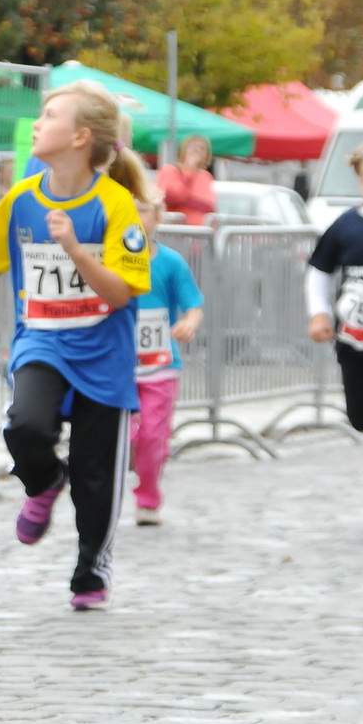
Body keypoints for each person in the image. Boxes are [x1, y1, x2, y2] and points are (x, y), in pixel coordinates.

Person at [0, 80, 151, 611]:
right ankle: (45, 480)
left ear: (80, 137)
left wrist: (73, 247)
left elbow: (119, 294)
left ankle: (91, 571)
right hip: (43, 342)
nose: (37, 124)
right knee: (25, 425)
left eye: (49, 115)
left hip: (104, 355)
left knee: (97, 477)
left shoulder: (116, 205)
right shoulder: (22, 198)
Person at [306, 136, 363, 527]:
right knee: (361, 416)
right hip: (354, 339)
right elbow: (319, 270)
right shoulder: (347, 226)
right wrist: (319, 314)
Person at [130, 192, 203, 526]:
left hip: (160, 367)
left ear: (157, 217)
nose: (135, 218)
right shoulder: (104, 259)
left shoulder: (171, 262)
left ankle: (148, 496)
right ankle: (145, 459)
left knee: (152, 435)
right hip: (118, 367)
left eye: (142, 211)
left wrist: (189, 322)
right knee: (128, 437)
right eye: (127, 211)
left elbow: (193, 305)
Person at [158, 133, 216, 227]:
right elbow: (172, 197)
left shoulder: (206, 176)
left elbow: (210, 207)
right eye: (193, 147)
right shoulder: (170, 170)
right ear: (183, 150)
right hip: (175, 232)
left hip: (200, 235)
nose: (197, 151)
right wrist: (189, 172)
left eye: (202, 148)